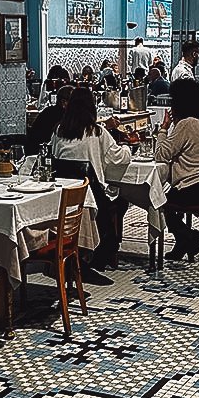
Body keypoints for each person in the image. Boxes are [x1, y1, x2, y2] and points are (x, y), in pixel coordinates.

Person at [49, 87, 131, 280]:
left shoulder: (59, 130)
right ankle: (100, 254)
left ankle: (85, 257)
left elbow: (52, 156)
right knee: (122, 201)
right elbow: (118, 158)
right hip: (90, 194)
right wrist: (127, 147)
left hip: (63, 194)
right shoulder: (96, 132)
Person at [154, 79, 199, 261]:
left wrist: (163, 129)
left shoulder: (186, 124)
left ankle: (188, 236)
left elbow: (161, 154)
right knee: (169, 195)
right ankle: (184, 240)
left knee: (157, 199)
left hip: (191, 186)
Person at [26, 85, 72, 151]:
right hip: (43, 152)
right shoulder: (62, 116)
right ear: (64, 102)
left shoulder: (48, 111)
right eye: (74, 102)